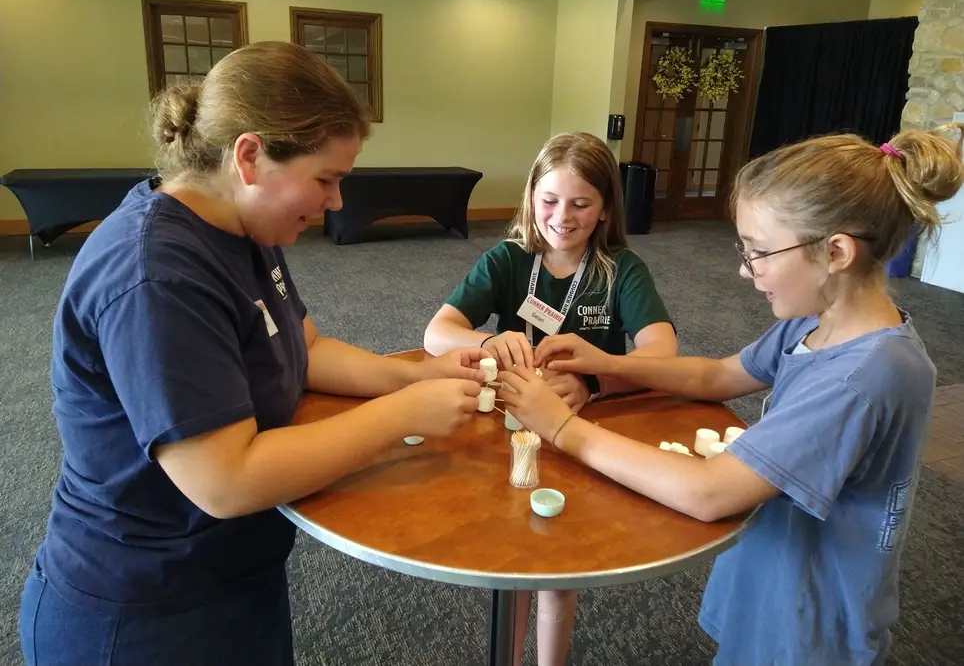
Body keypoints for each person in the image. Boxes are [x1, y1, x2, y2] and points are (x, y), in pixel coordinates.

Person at [19, 41, 487, 666]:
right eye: (326, 179)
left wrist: (415, 375)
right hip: (144, 609)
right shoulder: (157, 274)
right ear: (249, 157)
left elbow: (305, 347)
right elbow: (225, 480)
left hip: (230, 575)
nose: (336, 203)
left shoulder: (243, 223)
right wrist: (403, 415)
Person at [499, 125, 964, 666]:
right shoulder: (816, 323)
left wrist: (560, 426)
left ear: (835, 251)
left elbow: (710, 492)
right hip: (776, 581)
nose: (745, 271)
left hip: (811, 622)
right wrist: (604, 362)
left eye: (760, 252)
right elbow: (717, 376)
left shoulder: (862, 378)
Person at [423, 131, 678, 666]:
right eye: (550, 200)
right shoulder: (507, 258)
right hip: (510, 429)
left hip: (580, 434)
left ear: (605, 208)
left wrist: (594, 381)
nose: (562, 216)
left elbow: (662, 355)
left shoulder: (622, 270)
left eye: (581, 204)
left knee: (560, 569)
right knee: (515, 558)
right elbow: (437, 332)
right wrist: (488, 342)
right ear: (531, 198)